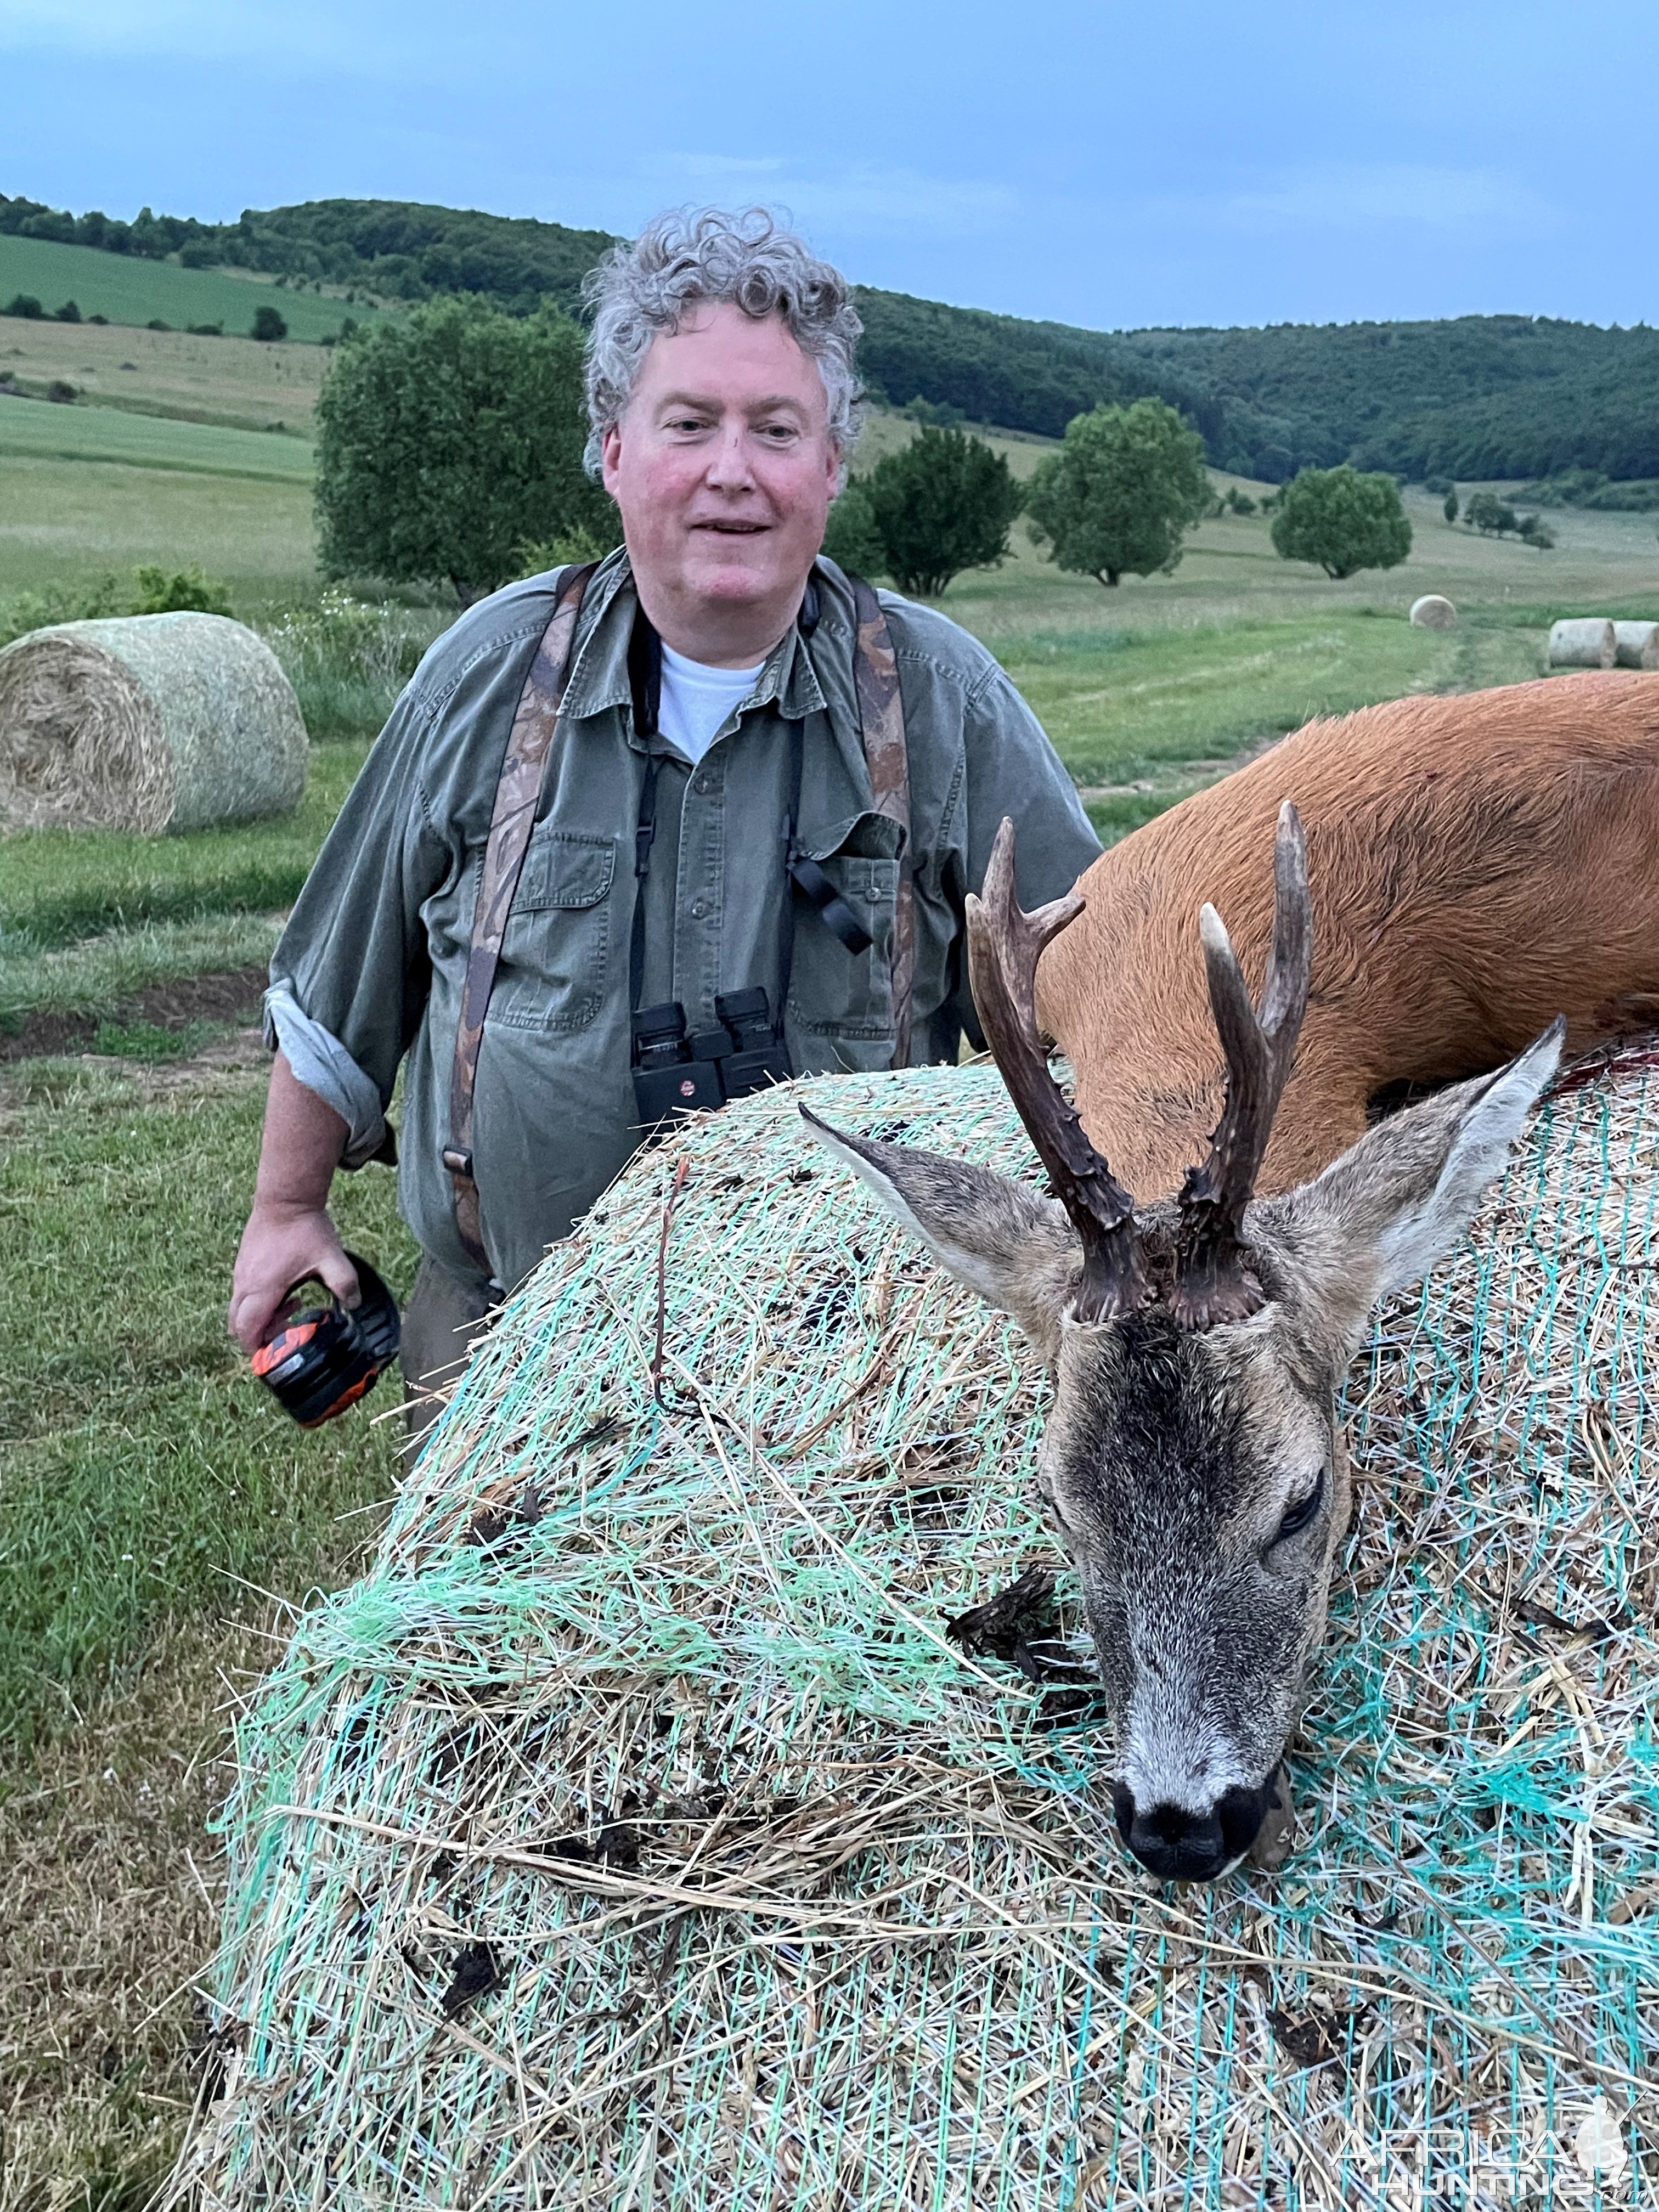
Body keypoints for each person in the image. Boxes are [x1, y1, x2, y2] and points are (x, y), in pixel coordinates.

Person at [228, 207, 1101, 1434]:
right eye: (688, 425)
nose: (732, 471)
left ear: (834, 465)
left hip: (848, 1370)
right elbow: (335, 994)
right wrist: (286, 1211)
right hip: (504, 1345)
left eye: (777, 431)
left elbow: (1097, 1001)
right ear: (616, 452)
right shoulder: (483, 679)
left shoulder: (945, 702)